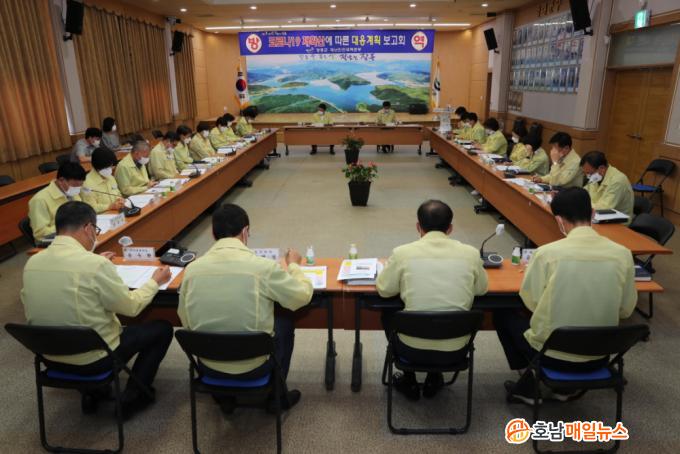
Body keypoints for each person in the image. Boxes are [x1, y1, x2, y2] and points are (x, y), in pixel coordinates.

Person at [21, 201, 173, 419]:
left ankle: (94, 392)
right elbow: (131, 307)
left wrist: (95, 262)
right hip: (94, 360)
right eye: (96, 230)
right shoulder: (94, 265)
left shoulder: (32, 263)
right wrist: (154, 282)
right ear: (88, 228)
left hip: (50, 356)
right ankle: (134, 396)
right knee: (162, 328)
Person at [494, 188, 636, 405]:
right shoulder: (623, 254)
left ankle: (529, 384)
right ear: (593, 213)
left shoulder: (547, 254)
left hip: (552, 356)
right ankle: (566, 389)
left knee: (503, 314)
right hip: (599, 355)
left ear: (559, 220)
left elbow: (532, 302)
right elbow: (625, 310)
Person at [178, 204, 313, 414]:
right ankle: (276, 398)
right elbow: (302, 296)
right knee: (284, 322)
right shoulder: (263, 267)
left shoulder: (191, 270)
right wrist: (294, 264)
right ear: (245, 231)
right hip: (254, 367)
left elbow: (185, 319)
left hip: (209, 365)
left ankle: (224, 398)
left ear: (213, 234)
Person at [376, 200, 488, 401]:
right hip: (455, 350)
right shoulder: (471, 254)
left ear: (418, 227)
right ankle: (434, 377)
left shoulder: (402, 253)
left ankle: (409, 379)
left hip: (410, 349)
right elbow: (482, 289)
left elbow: (384, 291)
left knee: (388, 312)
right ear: (450, 228)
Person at [28, 162, 86, 242]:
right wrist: (69, 226)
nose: (78, 189)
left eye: (80, 185)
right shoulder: (39, 200)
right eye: (75, 186)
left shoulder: (71, 192)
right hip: (53, 241)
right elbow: (41, 234)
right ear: (61, 180)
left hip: (75, 234)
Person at [581, 151, 634, 223]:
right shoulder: (597, 176)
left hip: (618, 223)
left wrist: (583, 204)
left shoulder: (618, 180)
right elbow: (584, 195)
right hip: (596, 216)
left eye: (589, 173)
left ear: (602, 168)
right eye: (585, 173)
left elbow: (604, 208)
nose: (588, 176)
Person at [82, 148, 125, 214]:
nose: (110, 169)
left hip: (117, 212)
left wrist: (120, 199)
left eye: (111, 166)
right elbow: (91, 207)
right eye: (107, 167)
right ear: (98, 166)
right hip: (102, 216)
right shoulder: (86, 184)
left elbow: (118, 193)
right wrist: (109, 206)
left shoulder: (110, 177)